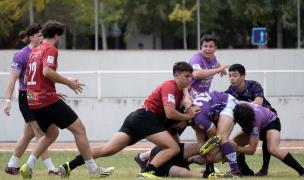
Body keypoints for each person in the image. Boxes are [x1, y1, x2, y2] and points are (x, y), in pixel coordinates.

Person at [57, 61, 200, 179]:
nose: (189, 80)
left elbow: (175, 111)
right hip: (145, 117)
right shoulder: (170, 85)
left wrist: (186, 109)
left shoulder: (179, 90)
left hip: (137, 118)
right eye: (186, 76)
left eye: (190, 77)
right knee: (173, 147)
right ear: (176, 75)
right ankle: (147, 172)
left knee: (108, 149)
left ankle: (68, 166)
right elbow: (170, 113)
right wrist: (188, 116)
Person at [19, 20, 109, 179]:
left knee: (51, 134)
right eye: (60, 37)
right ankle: (93, 169)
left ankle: (28, 166)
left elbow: (27, 80)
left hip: (33, 101)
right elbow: (46, 72)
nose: (60, 39)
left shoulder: (34, 51)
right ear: (55, 35)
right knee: (79, 129)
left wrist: (49, 90)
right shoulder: (50, 49)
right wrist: (68, 83)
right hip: (46, 101)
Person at [3, 23, 58, 176]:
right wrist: (7, 101)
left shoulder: (42, 52)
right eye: (39, 35)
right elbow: (13, 79)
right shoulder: (21, 54)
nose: (42, 38)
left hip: (38, 97)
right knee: (41, 132)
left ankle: (11, 165)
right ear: (31, 37)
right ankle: (51, 169)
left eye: (43, 35)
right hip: (26, 97)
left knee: (29, 134)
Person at [232, 102, 304, 177]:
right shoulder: (235, 106)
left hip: (271, 122)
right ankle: (246, 172)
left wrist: (237, 148)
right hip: (255, 120)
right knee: (234, 143)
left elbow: (252, 150)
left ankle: (303, 171)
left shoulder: (255, 122)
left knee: (272, 148)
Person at [225, 63, 275, 176]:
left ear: (243, 76)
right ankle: (245, 170)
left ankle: (264, 169)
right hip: (250, 124)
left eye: (234, 75)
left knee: (268, 143)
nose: (231, 78)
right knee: (234, 144)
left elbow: (258, 102)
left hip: (267, 120)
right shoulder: (230, 91)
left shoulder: (254, 85)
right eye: (229, 76)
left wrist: (240, 105)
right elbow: (224, 103)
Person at [191, 91, 240, 177]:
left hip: (227, 102)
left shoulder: (198, 117)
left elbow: (215, 137)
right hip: (216, 107)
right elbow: (201, 138)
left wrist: (210, 154)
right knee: (205, 149)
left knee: (221, 138)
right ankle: (210, 169)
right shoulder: (191, 118)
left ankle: (235, 172)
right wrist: (202, 151)